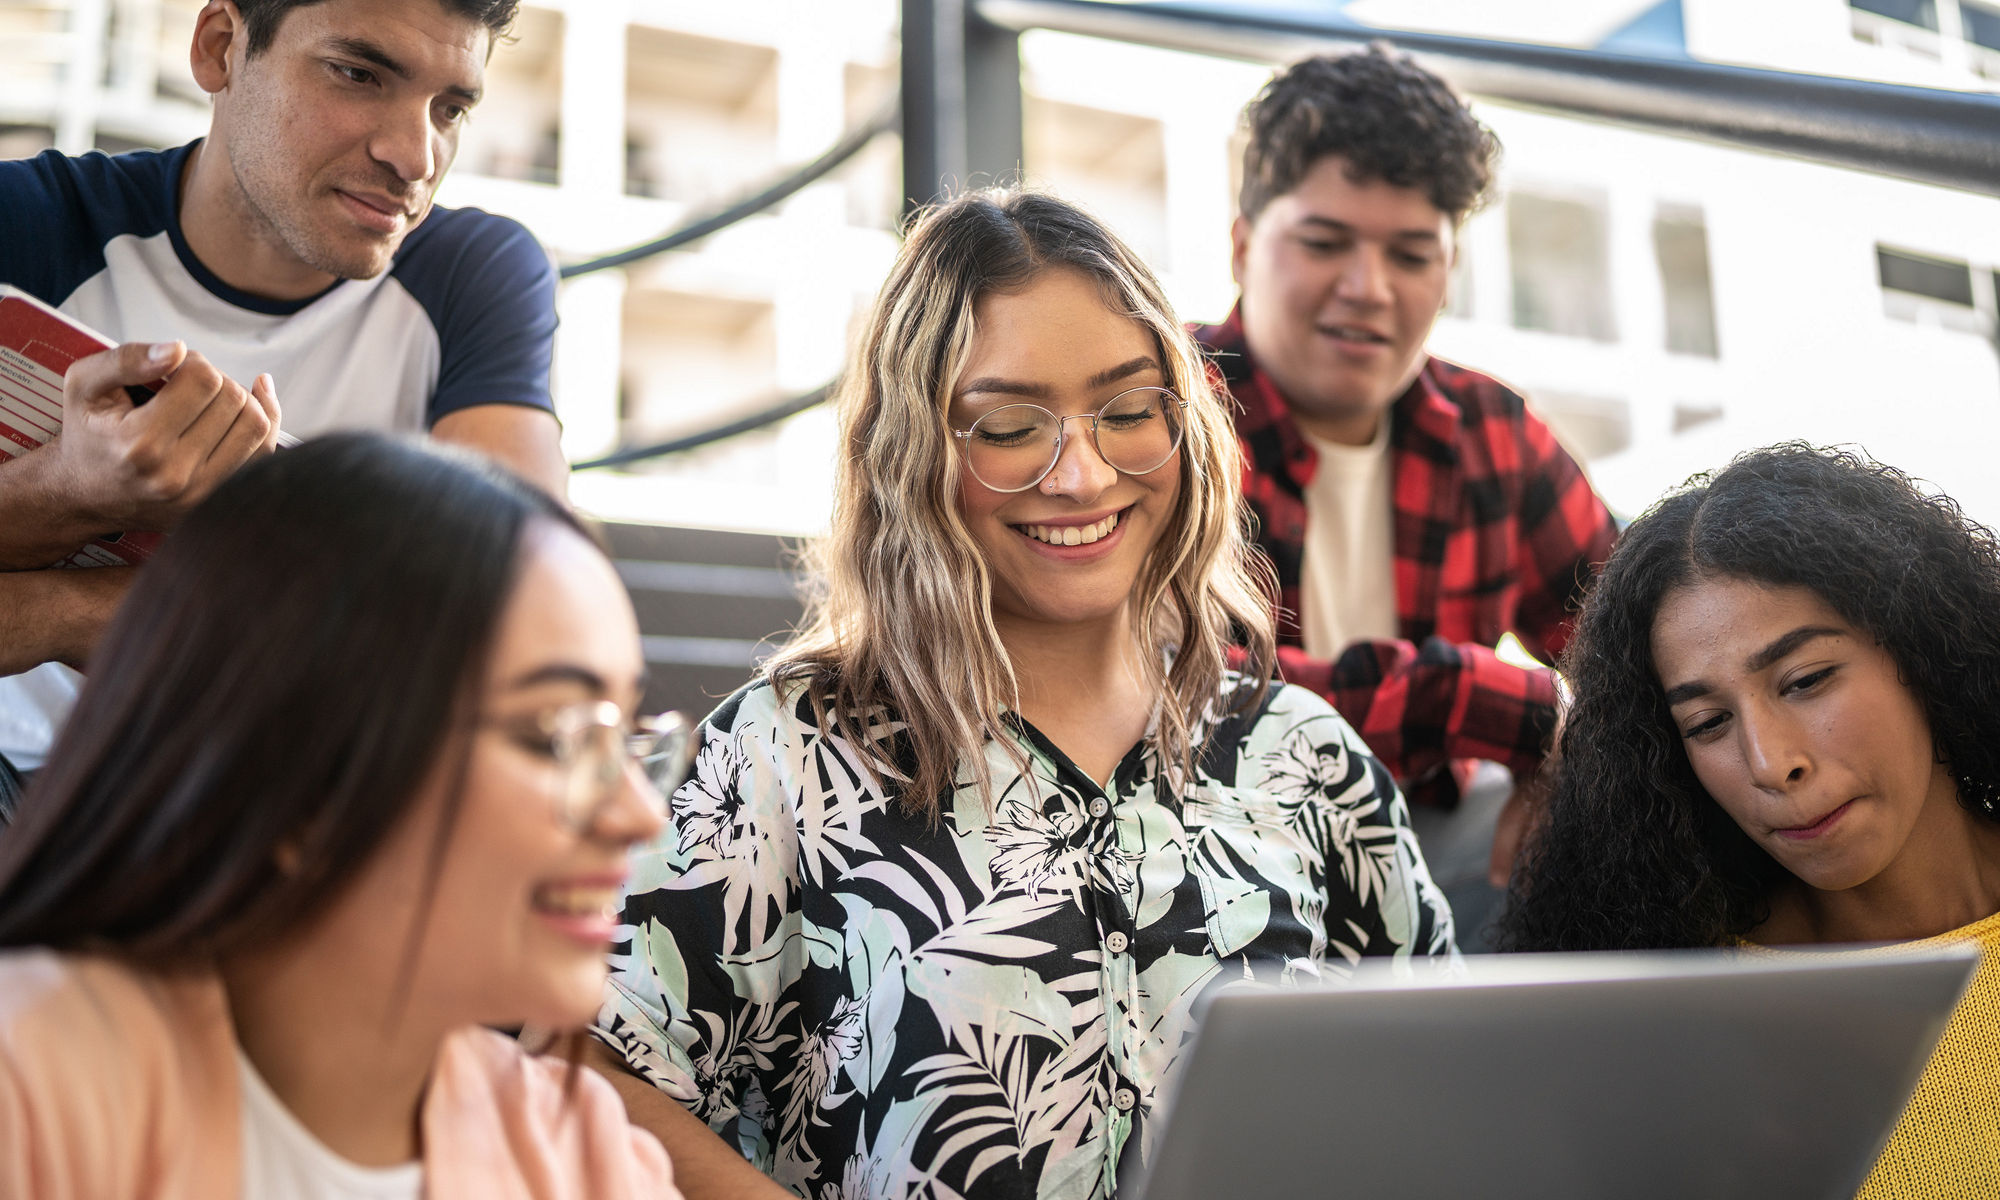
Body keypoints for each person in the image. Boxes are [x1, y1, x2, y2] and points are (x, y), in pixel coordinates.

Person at [584, 190, 1456, 1200]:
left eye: (1128, 412)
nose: (1081, 475)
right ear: (909, 453)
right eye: (1006, 427)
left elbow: (1447, 1084)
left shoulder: (1303, 753)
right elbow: (594, 1071)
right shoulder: (787, 752)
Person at [0, 434, 686, 1198]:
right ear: (298, 777)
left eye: (630, 738)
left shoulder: (583, 1155)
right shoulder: (31, 1092)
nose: (640, 813)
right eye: (559, 737)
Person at [0, 0, 566, 787]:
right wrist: (73, 490)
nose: (416, 155)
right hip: (30, 781)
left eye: (451, 108)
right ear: (222, 47)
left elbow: (529, 626)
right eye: (358, 73)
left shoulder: (475, 272)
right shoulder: (25, 225)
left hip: (304, 800)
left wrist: (57, 614)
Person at [1498, 444, 2000, 1197]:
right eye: (1706, 724)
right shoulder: (1670, 1023)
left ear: (1925, 646)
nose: (1770, 762)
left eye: (1805, 681)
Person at [1192, 46, 1619, 924]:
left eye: (1412, 254)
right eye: (1324, 243)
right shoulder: (1158, 412)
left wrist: (1575, 751)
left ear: (1447, 272)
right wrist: (1493, 703)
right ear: (1241, 247)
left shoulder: (1492, 435)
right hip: (1204, 847)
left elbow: (1648, 643)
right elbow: (1187, 687)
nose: (1368, 289)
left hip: (1427, 849)